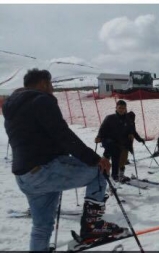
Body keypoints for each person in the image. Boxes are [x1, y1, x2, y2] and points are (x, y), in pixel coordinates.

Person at [3, 69, 127, 251]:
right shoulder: (41, 100)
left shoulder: (12, 108)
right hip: (44, 169)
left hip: (25, 176)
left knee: (41, 227)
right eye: (51, 85)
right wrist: (95, 159)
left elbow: (36, 137)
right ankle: (92, 226)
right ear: (44, 83)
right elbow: (63, 135)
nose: (52, 89)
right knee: (99, 171)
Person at [95, 100, 145, 183]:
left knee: (116, 154)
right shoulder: (110, 118)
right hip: (108, 140)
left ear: (126, 109)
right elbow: (102, 129)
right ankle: (113, 175)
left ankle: (113, 174)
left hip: (119, 142)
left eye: (123, 108)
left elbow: (133, 131)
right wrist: (98, 137)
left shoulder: (128, 120)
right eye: (120, 108)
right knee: (115, 150)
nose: (121, 109)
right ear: (116, 108)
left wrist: (139, 139)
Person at [118, 111, 146, 181]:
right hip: (121, 144)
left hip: (128, 144)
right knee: (121, 160)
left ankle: (120, 174)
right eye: (130, 118)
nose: (132, 119)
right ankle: (118, 175)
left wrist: (140, 139)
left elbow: (134, 132)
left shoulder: (132, 123)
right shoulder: (122, 122)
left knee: (123, 160)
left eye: (133, 118)